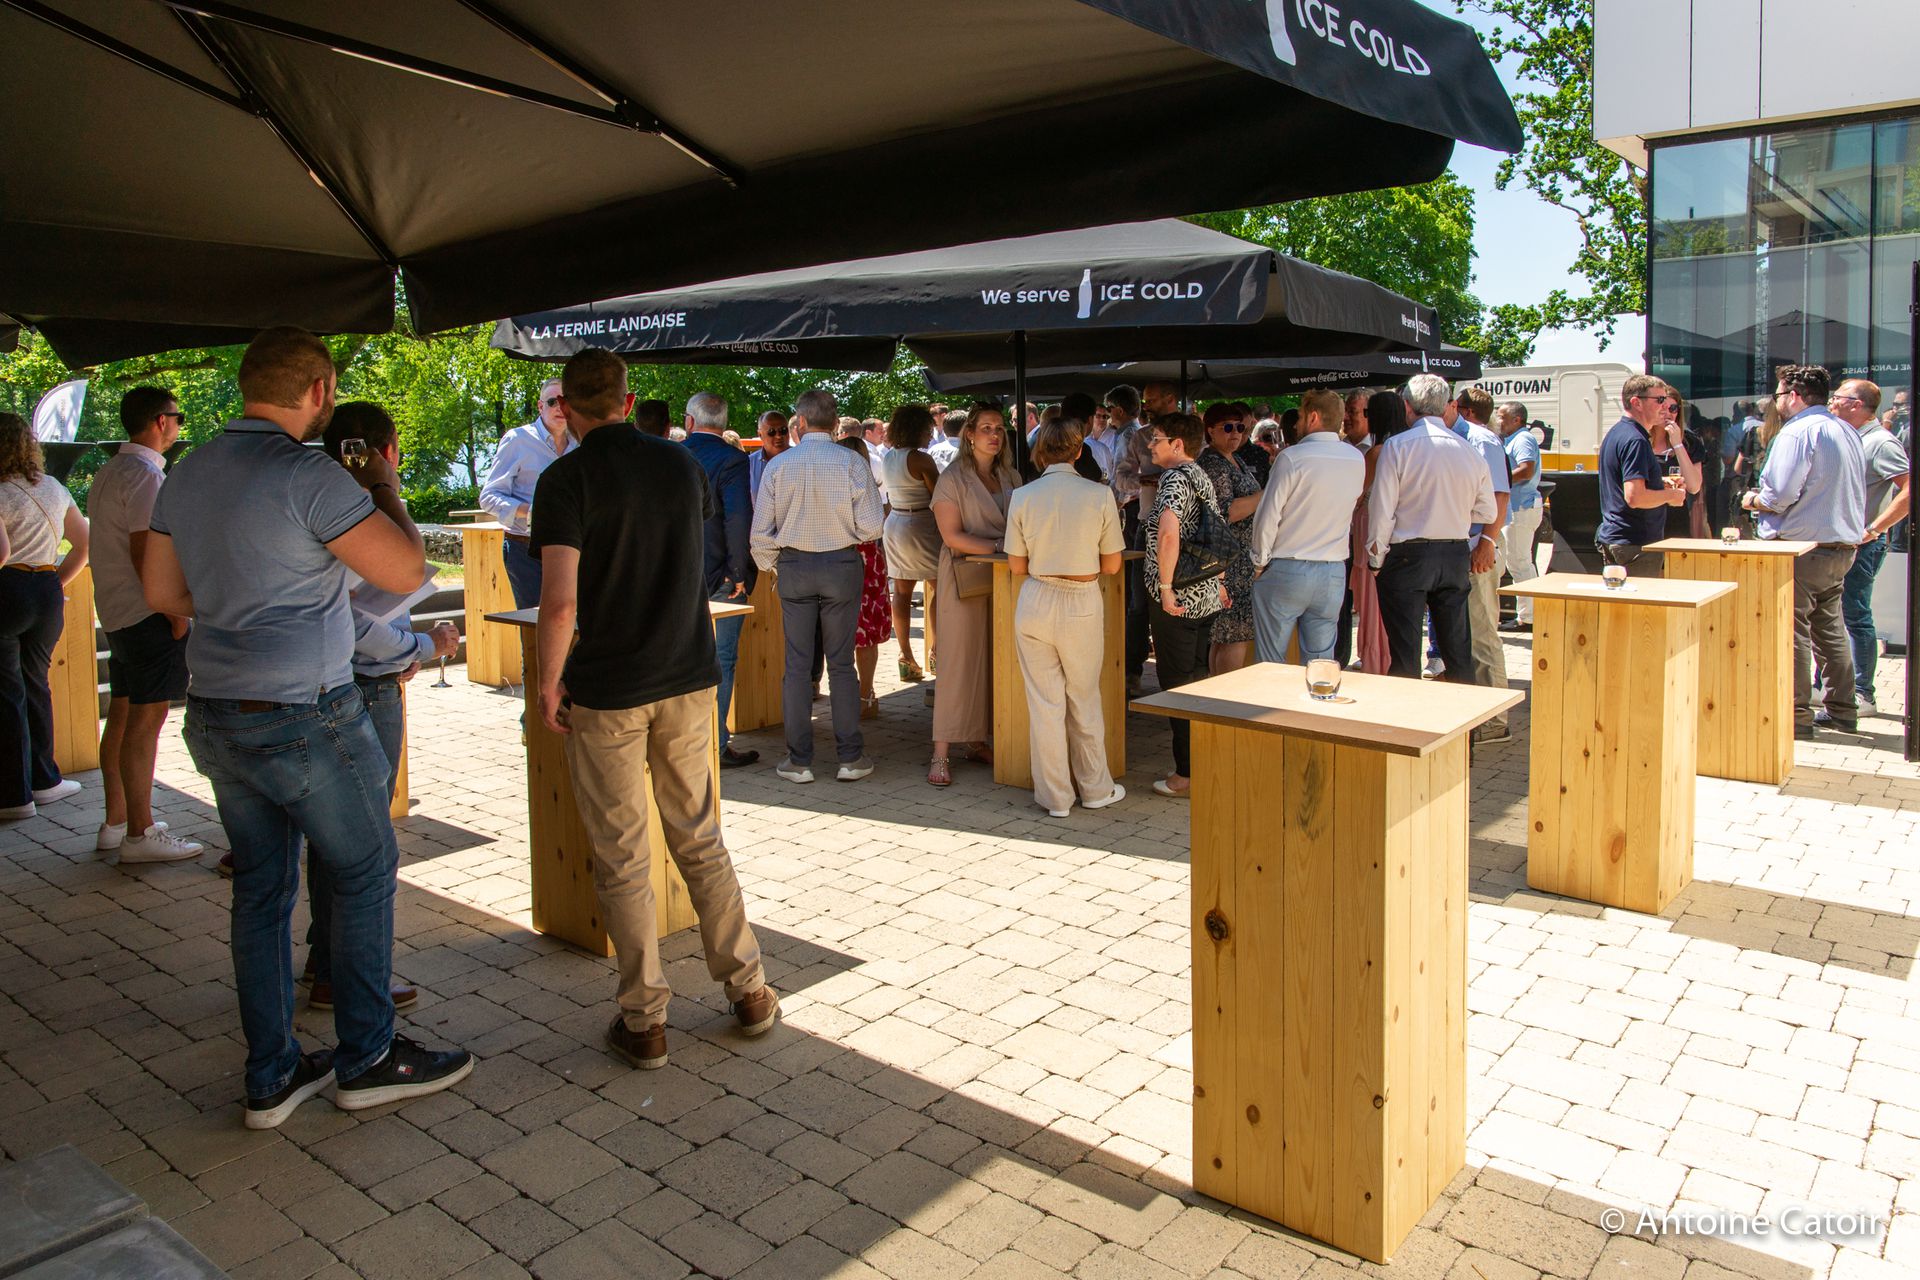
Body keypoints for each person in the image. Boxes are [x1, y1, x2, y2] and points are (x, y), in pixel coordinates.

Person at [144, 328, 470, 1128]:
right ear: (321, 391)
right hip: (304, 713)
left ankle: (273, 1074)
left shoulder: (188, 471)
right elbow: (407, 569)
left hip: (216, 710)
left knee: (261, 890)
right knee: (364, 869)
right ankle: (368, 1057)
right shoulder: (309, 475)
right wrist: (383, 483)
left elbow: (163, 593)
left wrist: (240, 605)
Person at [530, 348, 778, 1071]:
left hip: (608, 687)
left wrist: (547, 683)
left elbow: (559, 602)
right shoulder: (680, 464)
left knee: (623, 854)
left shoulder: (563, 478)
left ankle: (645, 1022)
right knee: (700, 839)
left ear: (565, 408)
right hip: (688, 676)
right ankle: (750, 991)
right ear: (629, 399)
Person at [313, 402, 459, 1010]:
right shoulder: (359, 510)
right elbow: (374, 599)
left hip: (346, 680)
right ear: (386, 452)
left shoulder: (314, 501)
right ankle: (351, 980)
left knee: (332, 839)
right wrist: (423, 644)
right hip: (360, 686)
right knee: (364, 842)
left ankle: (327, 964)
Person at [86, 388, 200, 859]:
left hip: (118, 611)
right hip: (148, 614)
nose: (178, 427)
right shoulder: (146, 476)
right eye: (177, 417)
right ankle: (141, 833)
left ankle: (117, 821)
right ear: (160, 421)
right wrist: (175, 613)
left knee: (123, 715)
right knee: (146, 721)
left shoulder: (110, 470)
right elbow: (145, 553)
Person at [750, 388, 884, 783]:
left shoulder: (779, 465)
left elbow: (760, 534)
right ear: (835, 421)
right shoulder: (851, 462)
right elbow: (873, 526)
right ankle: (850, 757)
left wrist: (776, 566)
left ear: (801, 422)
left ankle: (799, 760)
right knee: (841, 663)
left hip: (794, 564)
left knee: (796, 665)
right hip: (841, 563)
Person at [1003, 417, 1125, 818]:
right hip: (1080, 601)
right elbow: (1112, 565)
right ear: (1079, 450)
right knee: (1083, 698)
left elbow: (1017, 566)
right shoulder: (1099, 495)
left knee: (1045, 703)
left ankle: (1055, 797)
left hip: (1036, 598)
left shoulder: (1023, 496)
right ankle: (1095, 788)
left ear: (1040, 452)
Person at [1743, 364, 1866, 737]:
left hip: (1802, 549)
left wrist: (1751, 500)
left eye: (1779, 394)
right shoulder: (1845, 429)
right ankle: (1843, 710)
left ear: (1793, 396)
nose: (1777, 402)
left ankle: (1795, 715)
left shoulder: (1797, 432)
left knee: (1792, 631)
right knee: (1829, 629)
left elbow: (1778, 496)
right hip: (1840, 547)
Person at [1367, 375, 1494, 683]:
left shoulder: (1398, 446)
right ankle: (1464, 711)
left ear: (1407, 406)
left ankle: (1410, 714)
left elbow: (1382, 511)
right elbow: (1487, 510)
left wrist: (1375, 558)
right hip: (1453, 552)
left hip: (1408, 554)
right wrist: (1456, 511)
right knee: (1457, 651)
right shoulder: (1468, 449)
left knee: (1404, 655)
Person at [0, 413, 89, 822]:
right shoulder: (53, 487)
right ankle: (45, 779)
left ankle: (13, 795)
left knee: (7, 692)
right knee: (36, 683)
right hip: (47, 590)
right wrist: (54, 583)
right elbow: (84, 544)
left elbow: (2, 552)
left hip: (8, 590)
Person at [927, 403, 1020, 786]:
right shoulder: (952, 478)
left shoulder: (1011, 475)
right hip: (963, 577)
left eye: (999, 428)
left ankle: (978, 740)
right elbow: (952, 536)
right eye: (986, 428)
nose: (994, 435)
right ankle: (940, 753)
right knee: (959, 662)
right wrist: (1000, 545)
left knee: (997, 660)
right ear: (969, 433)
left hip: (1004, 577)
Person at [1143, 413, 1228, 800]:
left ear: (1177, 444)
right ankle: (1202, 764)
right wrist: (1220, 583)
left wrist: (1165, 587)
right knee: (1197, 680)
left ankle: (1186, 774)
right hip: (1205, 594)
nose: (1151, 445)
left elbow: (1168, 533)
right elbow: (1216, 532)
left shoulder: (1175, 479)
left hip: (1179, 596)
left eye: (1157, 438)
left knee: (1177, 685)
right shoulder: (1201, 476)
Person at [1247, 390, 1364, 664]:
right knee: (1321, 663)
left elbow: (1268, 515)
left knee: (1270, 662)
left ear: (1313, 417)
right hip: (1332, 568)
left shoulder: (1292, 457)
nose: (1297, 423)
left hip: (1288, 565)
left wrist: (1259, 561)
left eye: (1300, 416)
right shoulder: (1355, 458)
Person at [681, 392, 760, 768]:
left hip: (676, 574)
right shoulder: (732, 459)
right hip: (721, 575)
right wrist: (739, 572)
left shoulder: (673, 455)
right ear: (724, 423)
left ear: (690, 421)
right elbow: (737, 518)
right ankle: (715, 743)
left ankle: (682, 744)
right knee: (722, 658)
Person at [1829, 379, 1908, 717]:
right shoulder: (1849, 437)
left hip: (1863, 546)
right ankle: (1832, 687)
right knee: (1835, 616)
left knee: (1855, 615)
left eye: (1838, 397)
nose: (1832, 401)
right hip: (1841, 544)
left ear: (1857, 404)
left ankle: (1864, 694)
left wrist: (1875, 529)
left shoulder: (1881, 442)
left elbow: (1909, 489)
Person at [479, 377, 575, 609]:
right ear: (540, 406)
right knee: (534, 623)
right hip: (525, 549)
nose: (559, 408)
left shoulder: (579, 442)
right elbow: (489, 497)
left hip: (569, 548)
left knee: (571, 622)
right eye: (552, 402)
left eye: (565, 401)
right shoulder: (518, 440)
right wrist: (531, 512)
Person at [1452, 386, 1513, 743]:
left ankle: (1494, 721)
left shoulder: (1482, 440)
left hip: (1479, 545)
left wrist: (1487, 543)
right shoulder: (1455, 437)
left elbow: (1500, 495)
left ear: (1455, 407)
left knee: (1483, 632)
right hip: (1463, 545)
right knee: (1468, 633)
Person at [1596, 375, 1688, 575]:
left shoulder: (1617, 433)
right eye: (1659, 400)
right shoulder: (1635, 440)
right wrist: (1672, 495)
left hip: (1619, 539)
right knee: (1639, 597)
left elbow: (1622, 484)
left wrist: (1658, 483)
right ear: (1636, 402)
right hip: (1634, 544)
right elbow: (1635, 497)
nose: (1665, 406)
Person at [1195, 403, 1262, 675]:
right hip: (1229, 562)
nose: (1235, 433)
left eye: (1240, 427)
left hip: (1238, 560)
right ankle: (1226, 695)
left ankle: (1218, 692)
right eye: (1228, 427)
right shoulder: (1213, 463)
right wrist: (1264, 496)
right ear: (1210, 430)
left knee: (1225, 635)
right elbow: (1225, 512)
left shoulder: (1234, 459)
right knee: (1234, 634)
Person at [881, 404, 942, 683]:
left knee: (902, 591)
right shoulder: (921, 459)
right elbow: (938, 496)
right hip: (921, 524)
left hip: (894, 523)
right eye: (928, 430)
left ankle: (905, 655)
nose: (930, 435)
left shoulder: (889, 457)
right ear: (917, 430)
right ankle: (937, 651)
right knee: (940, 586)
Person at [835, 437, 893, 718]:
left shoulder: (830, 485)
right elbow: (877, 523)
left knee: (842, 631)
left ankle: (853, 694)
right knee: (866, 633)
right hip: (867, 558)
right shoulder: (869, 484)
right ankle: (865, 695)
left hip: (840, 557)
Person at [1347, 391, 1405, 674]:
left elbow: (1357, 496)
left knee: (1372, 607)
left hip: (1370, 533)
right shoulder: (1406, 448)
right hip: (1396, 535)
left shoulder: (1378, 452)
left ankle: (1375, 663)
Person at [1106, 384, 1153, 698]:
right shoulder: (1134, 434)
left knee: (1134, 597)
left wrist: (1115, 502)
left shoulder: (1127, 436)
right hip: (1135, 511)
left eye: (1110, 409)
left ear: (1118, 409)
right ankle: (1131, 665)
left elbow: (1122, 482)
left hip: (1134, 513)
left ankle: (1130, 668)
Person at [1497, 401, 1543, 632]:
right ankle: (1529, 615)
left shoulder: (1523, 439)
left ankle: (1529, 617)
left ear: (1517, 419)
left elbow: (1526, 470)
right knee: (1520, 561)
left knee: (1520, 562)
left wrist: (1499, 479)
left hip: (1520, 508)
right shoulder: (1514, 439)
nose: (1498, 421)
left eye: (1502, 416)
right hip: (1519, 507)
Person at [1654, 392, 1707, 540]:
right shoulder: (1639, 440)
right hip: (1645, 520)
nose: (1668, 414)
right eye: (1663, 408)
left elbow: (1694, 486)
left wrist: (1677, 444)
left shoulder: (1690, 442)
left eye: (1673, 408)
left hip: (1676, 522)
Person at [748, 410, 790, 502]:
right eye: (771, 432)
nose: (778, 436)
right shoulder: (749, 464)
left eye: (783, 430)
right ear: (760, 434)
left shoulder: (801, 460)